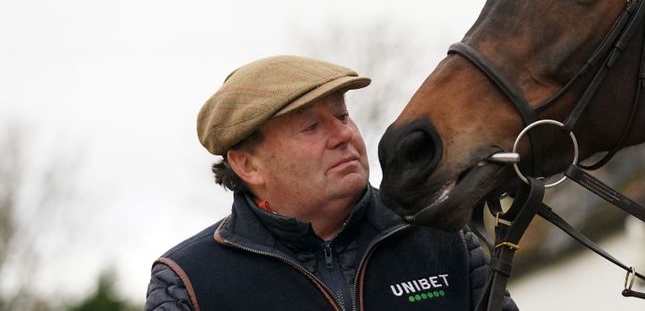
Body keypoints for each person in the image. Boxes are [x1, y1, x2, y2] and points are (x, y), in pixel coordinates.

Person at [145, 55, 516, 311]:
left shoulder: (442, 235)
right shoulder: (188, 283)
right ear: (248, 165)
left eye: (342, 116)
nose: (343, 135)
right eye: (311, 127)